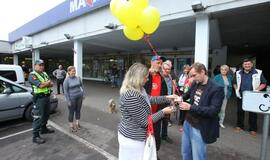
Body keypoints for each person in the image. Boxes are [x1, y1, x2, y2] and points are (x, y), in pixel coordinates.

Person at [118, 62, 177, 160]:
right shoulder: (131, 95)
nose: (148, 79)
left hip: (137, 136)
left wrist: (168, 97)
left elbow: (151, 99)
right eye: (146, 77)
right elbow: (145, 121)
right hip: (133, 139)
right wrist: (163, 112)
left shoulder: (139, 89)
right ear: (138, 78)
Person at [178, 62, 224, 160]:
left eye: (194, 75)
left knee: (198, 157)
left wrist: (190, 107)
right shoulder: (195, 83)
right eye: (191, 76)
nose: (193, 78)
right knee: (185, 153)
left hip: (200, 127)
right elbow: (187, 94)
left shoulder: (216, 88)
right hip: (187, 123)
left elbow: (213, 111)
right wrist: (180, 98)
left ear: (203, 72)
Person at [233, 58, 267, 137]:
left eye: (248, 64)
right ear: (243, 65)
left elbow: (264, 83)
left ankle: (253, 129)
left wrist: (256, 90)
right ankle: (240, 126)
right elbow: (234, 82)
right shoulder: (238, 72)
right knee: (240, 111)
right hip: (241, 95)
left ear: (251, 64)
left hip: (252, 96)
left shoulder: (258, 72)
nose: (247, 65)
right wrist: (236, 90)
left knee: (253, 113)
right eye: (245, 64)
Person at [144, 55, 169, 155]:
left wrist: (169, 103)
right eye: (158, 63)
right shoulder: (145, 76)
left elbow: (164, 94)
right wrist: (147, 73)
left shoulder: (161, 77)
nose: (160, 65)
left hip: (157, 113)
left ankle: (154, 154)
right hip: (146, 113)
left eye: (161, 63)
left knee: (156, 137)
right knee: (145, 137)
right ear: (152, 63)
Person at [28, 59, 55, 144]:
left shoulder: (44, 73)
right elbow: (40, 85)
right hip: (39, 99)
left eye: (42, 65)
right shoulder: (32, 75)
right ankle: (35, 136)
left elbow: (52, 83)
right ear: (35, 66)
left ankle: (44, 129)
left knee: (46, 115)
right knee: (38, 117)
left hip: (46, 97)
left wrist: (45, 83)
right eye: (39, 65)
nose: (41, 66)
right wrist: (47, 83)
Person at [63, 66, 84, 132]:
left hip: (79, 97)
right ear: (68, 72)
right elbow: (65, 91)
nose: (74, 72)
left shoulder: (78, 78)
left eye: (74, 71)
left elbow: (81, 86)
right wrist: (68, 100)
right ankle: (71, 126)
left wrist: (82, 93)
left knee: (78, 110)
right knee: (71, 112)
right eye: (72, 71)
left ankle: (77, 123)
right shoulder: (66, 80)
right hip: (72, 98)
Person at [161, 60, 174, 143]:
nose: (167, 71)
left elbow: (173, 87)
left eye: (168, 69)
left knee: (166, 119)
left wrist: (172, 99)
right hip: (159, 100)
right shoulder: (159, 77)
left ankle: (164, 136)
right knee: (158, 119)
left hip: (168, 100)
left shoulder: (170, 76)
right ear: (162, 69)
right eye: (165, 69)